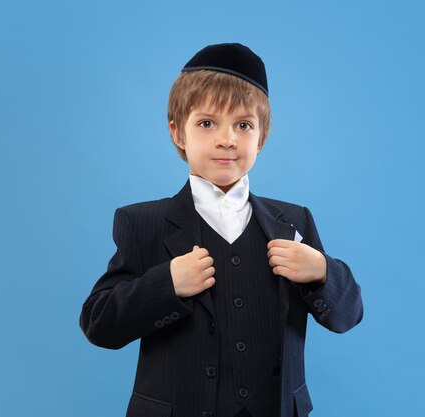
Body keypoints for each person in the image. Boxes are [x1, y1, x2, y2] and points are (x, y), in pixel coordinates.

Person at [79, 42, 363, 417]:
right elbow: (99, 325)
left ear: (261, 138)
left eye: (243, 125)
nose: (226, 138)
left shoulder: (295, 221)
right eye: (207, 123)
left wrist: (323, 272)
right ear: (178, 133)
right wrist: (166, 284)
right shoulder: (142, 223)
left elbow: (348, 315)